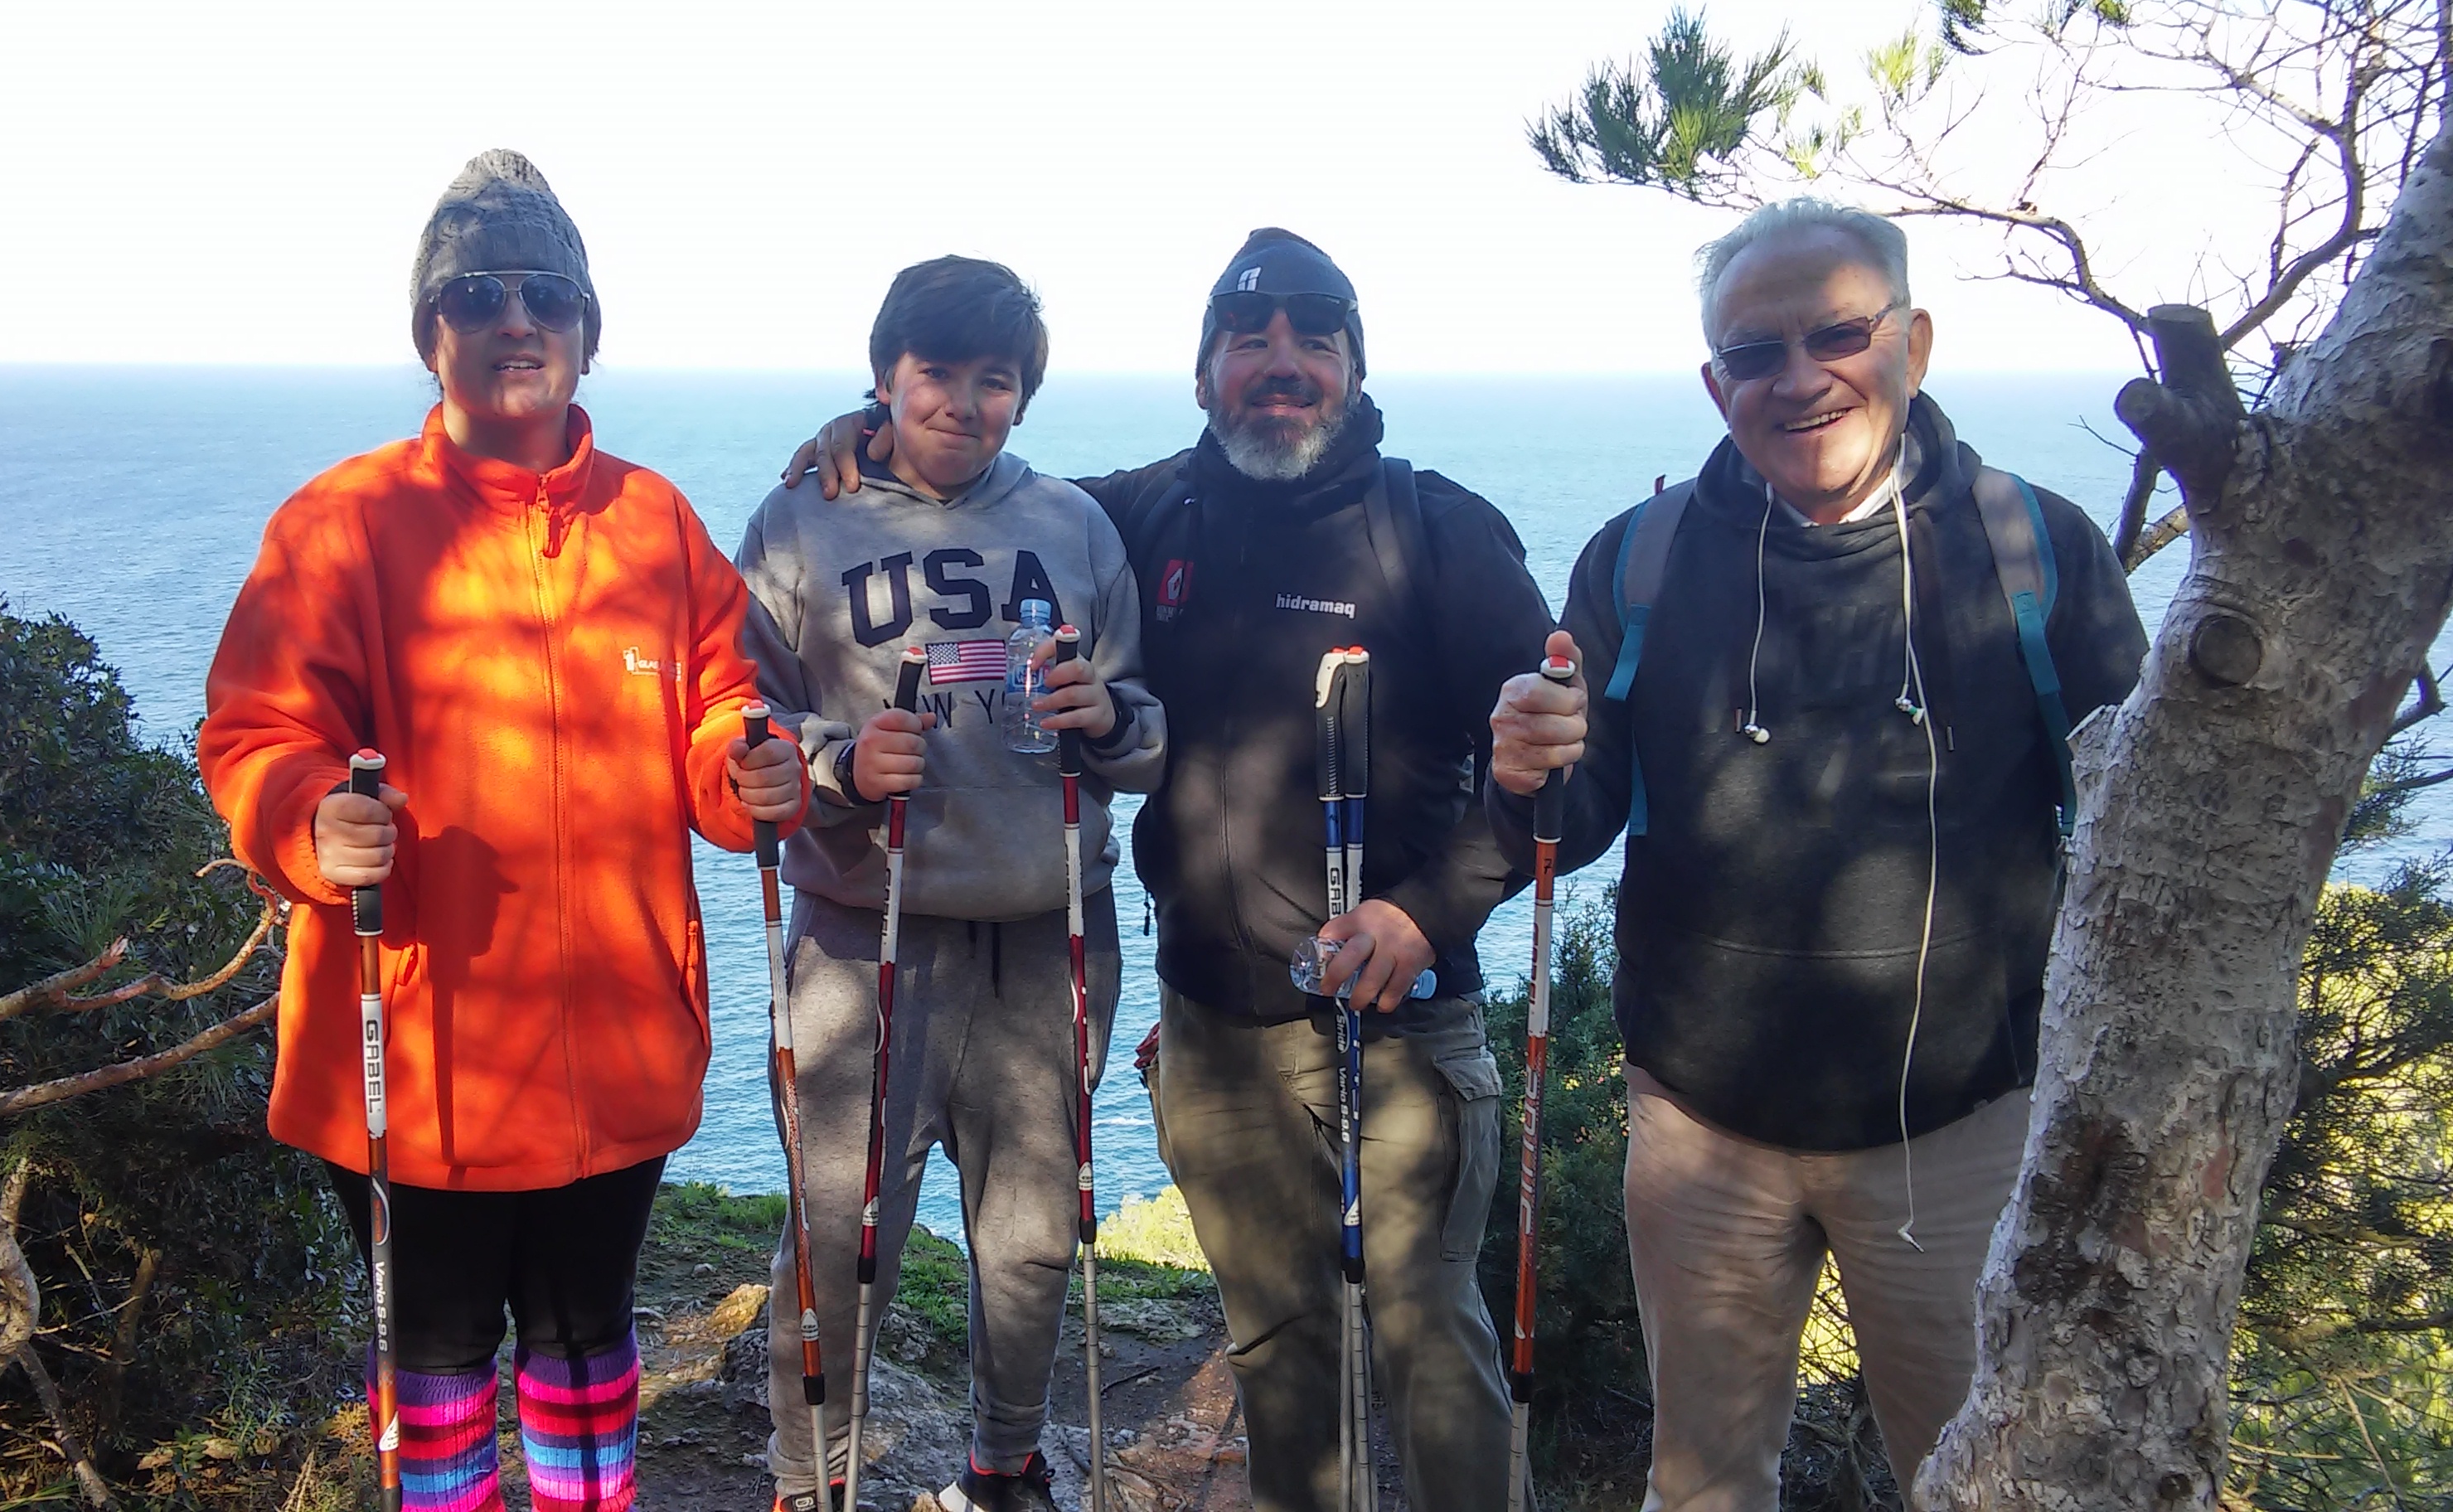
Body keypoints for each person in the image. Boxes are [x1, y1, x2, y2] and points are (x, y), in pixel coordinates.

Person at [790, 227, 1553, 1512]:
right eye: (1248, 340)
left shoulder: (1438, 532)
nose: (1282, 363)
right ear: (1203, 374)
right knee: (1277, 1352)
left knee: (1429, 1350)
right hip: (1215, 1035)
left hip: (1398, 1026)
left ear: (1358, 369)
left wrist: (1431, 913)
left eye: (1316, 339)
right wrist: (868, 433)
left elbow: (1560, 775)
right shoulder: (1142, 515)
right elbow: (980, 502)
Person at [1484, 199, 2149, 1510]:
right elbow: (1575, 818)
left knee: (1981, 1483)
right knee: (1703, 1488)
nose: (1799, 379)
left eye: (1837, 335)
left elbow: (2138, 823)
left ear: (1915, 342)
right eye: (1755, 352)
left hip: (1961, 1128)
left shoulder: (2032, 549)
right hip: (1701, 1127)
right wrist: (1527, 767)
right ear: (1714, 383)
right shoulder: (1642, 559)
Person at [200, 149, 802, 1512]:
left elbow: (723, 705)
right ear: (432, 335)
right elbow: (253, 732)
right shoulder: (340, 523)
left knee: (589, 1339)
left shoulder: (656, 523)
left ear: (588, 331)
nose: (515, 319)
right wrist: (310, 818)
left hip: (620, 1040)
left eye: (546, 294)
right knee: (438, 1356)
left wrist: (745, 769)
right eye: (476, 294)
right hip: (415, 1051)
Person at [740, 255, 1165, 1512]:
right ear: (885, 376)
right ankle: (808, 1481)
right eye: (937, 372)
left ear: (1024, 394)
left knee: (1032, 1238)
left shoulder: (1076, 524)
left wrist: (1108, 718)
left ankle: (1007, 1460)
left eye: (996, 379)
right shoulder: (799, 520)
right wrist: (839, 765)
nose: (964, 403)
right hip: (864, 938)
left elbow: (1146, 731)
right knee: (838, 1233)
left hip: (1049, 935)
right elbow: (741, 720)